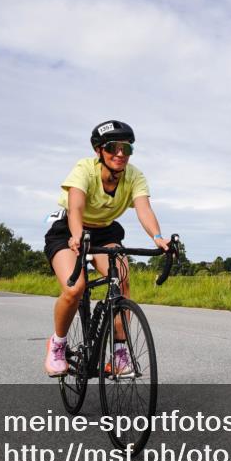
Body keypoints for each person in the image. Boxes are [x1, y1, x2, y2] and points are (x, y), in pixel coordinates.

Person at [43, 120, 168, 377]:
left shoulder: (135, 176)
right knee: (74, 288)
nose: (121, 154)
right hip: (69, 229)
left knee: (121, 279)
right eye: (113, 147)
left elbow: (144, 208)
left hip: (105, 231)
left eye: (127, 148)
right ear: (99, 150)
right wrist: (78, 236)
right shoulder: (84, 170)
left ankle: (120, 355)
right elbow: (75, 207)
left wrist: (158, 237)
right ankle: (57, 344)